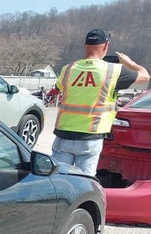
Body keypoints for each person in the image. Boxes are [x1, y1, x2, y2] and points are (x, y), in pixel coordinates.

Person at [51, 28, 149, 176]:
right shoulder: (113, 71)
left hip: (63, 135)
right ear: (106, 45)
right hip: (90, 137)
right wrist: (130, 63)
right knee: (83, 184)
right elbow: (145, 76)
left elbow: (59, 87)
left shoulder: (68, 69)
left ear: (85, 46)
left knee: (58, 181)